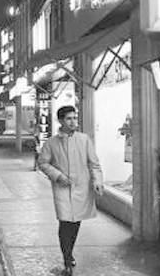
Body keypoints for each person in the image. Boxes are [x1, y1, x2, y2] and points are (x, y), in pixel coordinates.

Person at [37, 106, 104, 276]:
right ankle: (67, 258)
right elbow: (43, 163)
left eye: (75, 118)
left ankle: (69, 252)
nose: (73, 121)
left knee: (75, 224)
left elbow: (94, 163)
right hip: (62, 189)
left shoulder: (84, 139)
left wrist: (97, 180)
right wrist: (58, 176)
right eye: (69, 118)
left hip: (82, 188)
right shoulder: (51, 142)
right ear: (60, 121)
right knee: (65, 223)